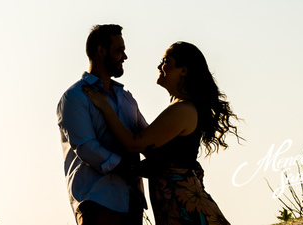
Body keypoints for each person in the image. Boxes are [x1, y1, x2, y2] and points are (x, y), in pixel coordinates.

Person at [83, 41, 239, 225]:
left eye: (166, 61)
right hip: (178, 211)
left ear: (183, 70)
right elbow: (152, 149)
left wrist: (106, 107)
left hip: (187, 211)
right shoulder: (181, 108)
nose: (159, 65)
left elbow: (135, 143)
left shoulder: (183, 109)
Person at [57, 24, 148, 225]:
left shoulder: (126, 99)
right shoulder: (75, 97)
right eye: (119, 50)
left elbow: (147, 139)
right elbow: (87, 148)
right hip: (98, 202)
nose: (125, 57)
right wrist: (129, 167)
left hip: (132, 202)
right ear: (101, 51)